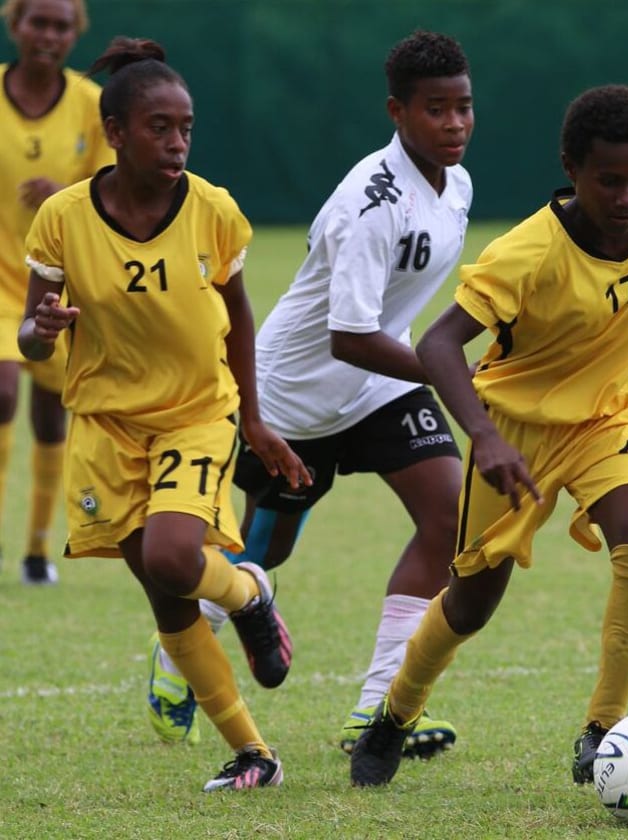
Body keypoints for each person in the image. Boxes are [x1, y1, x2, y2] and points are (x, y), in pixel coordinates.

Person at [350, 83, 628, 787]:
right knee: (472, 602)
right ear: (572, 169)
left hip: (610, 414)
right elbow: (439, 345)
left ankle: (602, 731)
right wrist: (485, 437)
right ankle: (395, 713)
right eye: (609, 180)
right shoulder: (528, 252)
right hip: (515, 433)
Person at [143, 29, 472, 759]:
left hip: (382, 383)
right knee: (264, 553)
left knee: (450, 516)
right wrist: (449, 370)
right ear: (397, 112)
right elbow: (348, 336)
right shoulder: (370, 203)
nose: (454, 124)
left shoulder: (458, 186)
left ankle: (378, 711)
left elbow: (386, 324)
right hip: (294, 396)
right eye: (435, 109)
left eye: (463, 107)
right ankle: (176, 654)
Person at [18, 36, 311, 792]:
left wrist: (253, 419)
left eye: (186, 127)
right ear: (115, 133)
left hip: (193, 414)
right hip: (105, 425)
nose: (178, 142)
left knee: (175, 559)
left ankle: (248, 595)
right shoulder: (63, 217)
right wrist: (41, 330)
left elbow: (238, 317)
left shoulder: (212, 210)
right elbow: (29, 332)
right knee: (166, 597)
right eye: (160, 127)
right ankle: (254, 753)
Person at [0, 0, 111, 584]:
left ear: (75, 34)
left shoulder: (91, 103)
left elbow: (111, 190)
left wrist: (65, 193)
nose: (48, 34)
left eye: (61, 25)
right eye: (37, 21)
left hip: (55, 283)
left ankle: (37, 551)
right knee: (1, 392)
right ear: (14, 24)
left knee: (50, 417)